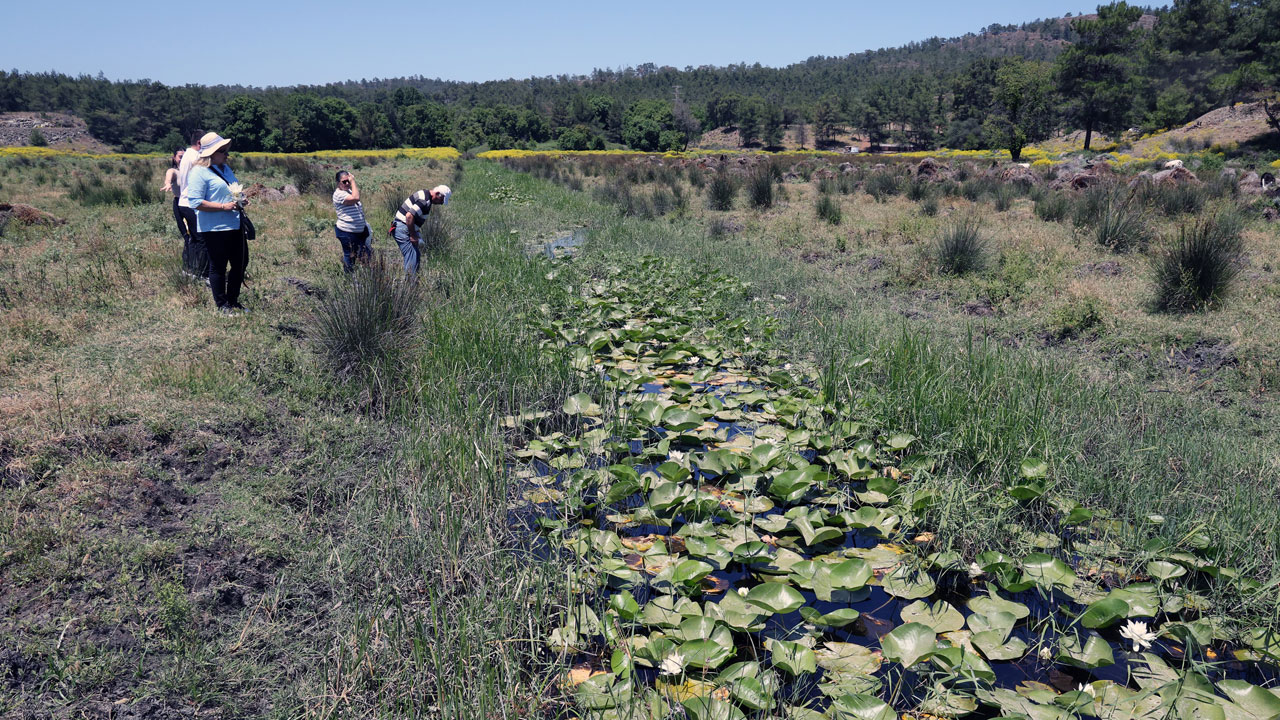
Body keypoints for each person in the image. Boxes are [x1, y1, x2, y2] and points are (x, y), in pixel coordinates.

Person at [184, 132, 248, 314]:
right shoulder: (198, 172)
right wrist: (223, 207)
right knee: (218, 266)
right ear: (211, 153)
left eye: (226, 150)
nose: (227, 154)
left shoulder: (226, 169)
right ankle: (222, 305)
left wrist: (241, 200)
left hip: (234, 224)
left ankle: (233, 301)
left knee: (241, 263)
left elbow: (232, 191)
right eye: (222, 151)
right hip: (214, 228)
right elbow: (195, 201)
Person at [392, 185, 451, 274]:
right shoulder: (425, 201)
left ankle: (412, 282)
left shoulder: (425, 194)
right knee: (412, 257)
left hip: (402, 227)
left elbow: (413, 216)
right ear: (438, 194)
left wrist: (416, 231)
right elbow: (409, 216)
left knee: (415, 256)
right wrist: (413, 235)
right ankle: (410, 285)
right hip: (402, 228)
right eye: (441, 200)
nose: (441, 203)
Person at [176, 129, 205, 279]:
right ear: (199, 143)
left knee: (193, 238)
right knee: (201, 239)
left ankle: (190, 270)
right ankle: (200, 272)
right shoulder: (196, 157)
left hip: (184, 201)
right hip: (191, 203)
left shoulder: (187, 155)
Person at [332, 171, 371, 272]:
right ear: (338, 182)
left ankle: (364, 277)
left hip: (359, 232)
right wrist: (353, 181)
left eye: (348, 181)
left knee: (365, 255)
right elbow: (356, 198)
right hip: (347, 232)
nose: (347, 184)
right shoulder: (338, 194)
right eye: (344, 182)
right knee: (350, 256)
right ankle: (349, 279)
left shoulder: (348, 191)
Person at [160, 148, 188, 242]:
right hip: (178, 203)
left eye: (185, 156)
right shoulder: (174, 171)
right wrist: (167, 183)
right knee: (184, 232)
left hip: (190, 203)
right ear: (174, 158)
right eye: (180, 156)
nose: (182, 159)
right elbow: (169, 174)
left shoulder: (191, 171)